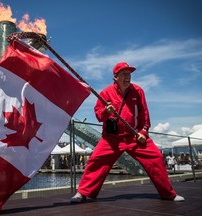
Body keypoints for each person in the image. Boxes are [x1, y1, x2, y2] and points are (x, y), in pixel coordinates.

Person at [70, 62, 185, 203]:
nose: (127, 77)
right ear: (115, 77)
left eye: (129, 74)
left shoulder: (138, 91)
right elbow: (99, 116)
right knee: (96, 161)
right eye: (124, 74)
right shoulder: (106, 93)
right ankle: (82, 193)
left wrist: (144, 131)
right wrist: (107, 111)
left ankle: (168, 194)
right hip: (111, 138)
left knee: (155, 158)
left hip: (135, 136)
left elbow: (145, 115)